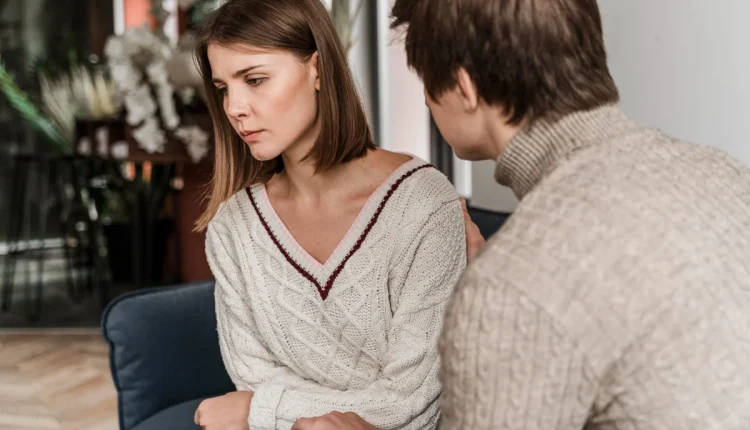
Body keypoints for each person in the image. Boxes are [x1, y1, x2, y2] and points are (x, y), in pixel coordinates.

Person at [300, 0, 750, 428]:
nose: (424, 103)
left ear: (464, 88)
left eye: (426, 84)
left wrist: (498, 298)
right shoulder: (727, 176)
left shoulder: (512, 286)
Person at [190, 0, 486, 429]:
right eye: (223, 89)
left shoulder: (422, 204)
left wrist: (260, 411)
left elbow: (415, 402)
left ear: (316, 69)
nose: (234, 107)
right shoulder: (232, 229)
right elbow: (252, 377)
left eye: (254, 79)